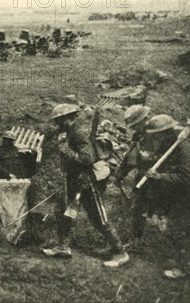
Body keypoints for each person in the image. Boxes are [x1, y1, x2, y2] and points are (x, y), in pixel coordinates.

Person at [43, 104, 129, 268]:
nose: (58, 124)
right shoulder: (68, 133)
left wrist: (65, 149)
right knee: (63, 212)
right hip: (73, 181)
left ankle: (120, 252)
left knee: (98, 218)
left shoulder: (79, 133)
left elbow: (86, 159)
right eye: (57, 121)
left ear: (69, 118)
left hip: (87, 183)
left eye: (60, 120)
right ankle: (62, 247)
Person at [135, 115, 190, 279]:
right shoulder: (170, 144)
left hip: (187, 197)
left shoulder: (184, 148)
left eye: (155, 134)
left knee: (177, 230)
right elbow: (162, 160)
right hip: (178, 196)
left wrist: (160, 177)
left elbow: (187, 177)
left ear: (165, 132)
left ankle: (185, 268)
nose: (153, 137)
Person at [113, 105, 153, 244]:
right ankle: (135, 241)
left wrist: (152, 157)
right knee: (137, 208)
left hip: (159, 178)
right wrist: (119, 174)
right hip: (143, 177)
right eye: (133, 126)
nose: (134, 128)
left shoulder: (158, 134)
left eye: (136, 125)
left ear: (145, 119)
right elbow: (130, 157)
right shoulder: (137, 136)